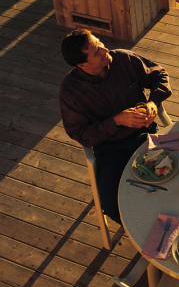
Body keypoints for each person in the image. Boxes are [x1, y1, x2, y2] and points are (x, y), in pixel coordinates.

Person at [59, 29, 172, 225]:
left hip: (147, 136)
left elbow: (160, 75)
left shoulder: (123, 59)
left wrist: (153, 102)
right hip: (110, 149)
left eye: (99, 43)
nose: (104, 50)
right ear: (82, 65)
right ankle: (145, 231)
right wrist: (116, 121)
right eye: (96, 52)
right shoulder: (70, 90)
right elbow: (79, 133)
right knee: (112, 205)